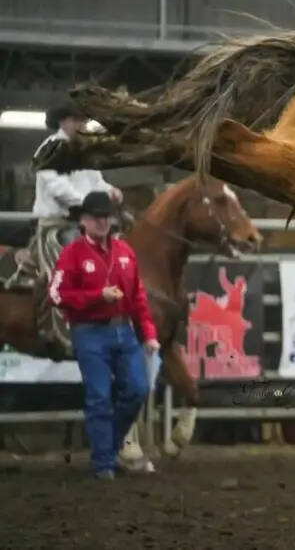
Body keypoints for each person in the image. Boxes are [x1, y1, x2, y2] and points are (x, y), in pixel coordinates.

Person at [48, 190, 160, 480]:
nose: (102, 222)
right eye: (96, 217)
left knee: (137, 389)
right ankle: (103, 464)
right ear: (84, 221)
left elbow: (137, 297)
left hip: (123, 329)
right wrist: (97, 296)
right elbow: (56, 294)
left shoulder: (125, 253)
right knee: (99, 396)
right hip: (89, 332)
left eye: (105, 217)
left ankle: (106, 452)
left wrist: (147, 333)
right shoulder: (72, 253)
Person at [29, 104, 123, 279]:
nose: (82, 125)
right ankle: (56, 299)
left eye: (84, 121)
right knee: (71, 262)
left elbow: (96, 182)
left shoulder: (84, 150)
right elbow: (58, 189)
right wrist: (90, 203)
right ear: (62, 122)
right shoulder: (49, 149)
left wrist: (110, 191)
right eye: (76, 120)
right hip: (57, 223)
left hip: (86, 219)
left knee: (119, 242)